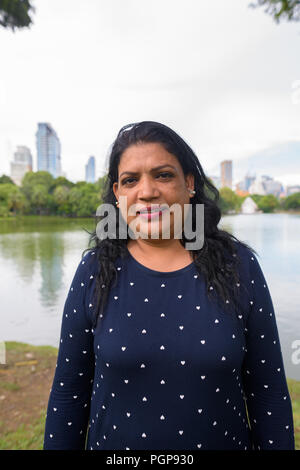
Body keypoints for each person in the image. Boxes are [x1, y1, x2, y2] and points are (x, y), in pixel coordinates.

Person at [43, 121, 295, 450]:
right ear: (118, 195)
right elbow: (69, 395)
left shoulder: (239, 266)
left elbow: (268, 392)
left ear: (189, 183)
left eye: (163, 174)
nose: (147, 191)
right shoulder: (94, 272)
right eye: (130, 180)